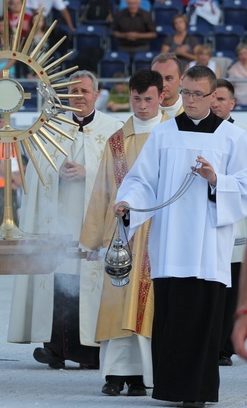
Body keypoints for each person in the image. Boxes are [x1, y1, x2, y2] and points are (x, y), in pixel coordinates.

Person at [114, 65, 247, 406]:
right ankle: (171, 389)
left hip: (207, 246)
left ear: (213, 97)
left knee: (202, 318)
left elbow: (245, 186)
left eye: (196, 94)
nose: (188, 100)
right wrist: (128, 201)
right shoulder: (164, 133)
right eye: (184, 92)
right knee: (173, 317)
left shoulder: (233, 137)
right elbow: (143, 179)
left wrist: (217, 179)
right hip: (170, 243)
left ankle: (198, 392)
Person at [9, 71, 122, 370]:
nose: (78, 96)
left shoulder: (113, 130)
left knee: (89, 284)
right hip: (57, 222)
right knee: (59, 282)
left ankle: (90, 352)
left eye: (84, 91)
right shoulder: (49, 128)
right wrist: (55, 170)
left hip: (93, 223)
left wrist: (89, 173)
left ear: (96, 95)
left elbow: (122, 176)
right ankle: (55, 349)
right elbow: (34, 173)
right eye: (72, 91)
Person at [79, 69, 166, 397]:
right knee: (116, 301)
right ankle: (115, 373)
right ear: (127, 97)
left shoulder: (171, 135)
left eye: (148, 99)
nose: (142, 106)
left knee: (151, 305)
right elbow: (102, 191)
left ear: (161, 97)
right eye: (136, 98)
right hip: (122, 236)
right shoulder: (117, 141)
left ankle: (145, 375)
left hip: (159, 236)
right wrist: (92, 239)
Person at [209, 78, 247, 368]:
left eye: (221, 99)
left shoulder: (240, 135)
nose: (215, 103)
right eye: (213, 98)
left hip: (236, 222)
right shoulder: (203, 133)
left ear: (232, 104)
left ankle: (224, 346)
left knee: (232, 285)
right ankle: (211, 343)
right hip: (209, 222)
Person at [152, 52, 185, 118]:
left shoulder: (195, 112)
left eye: (169, 78)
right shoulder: (142, 112)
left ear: (181, 80)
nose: (163, 84)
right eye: (158, 79)